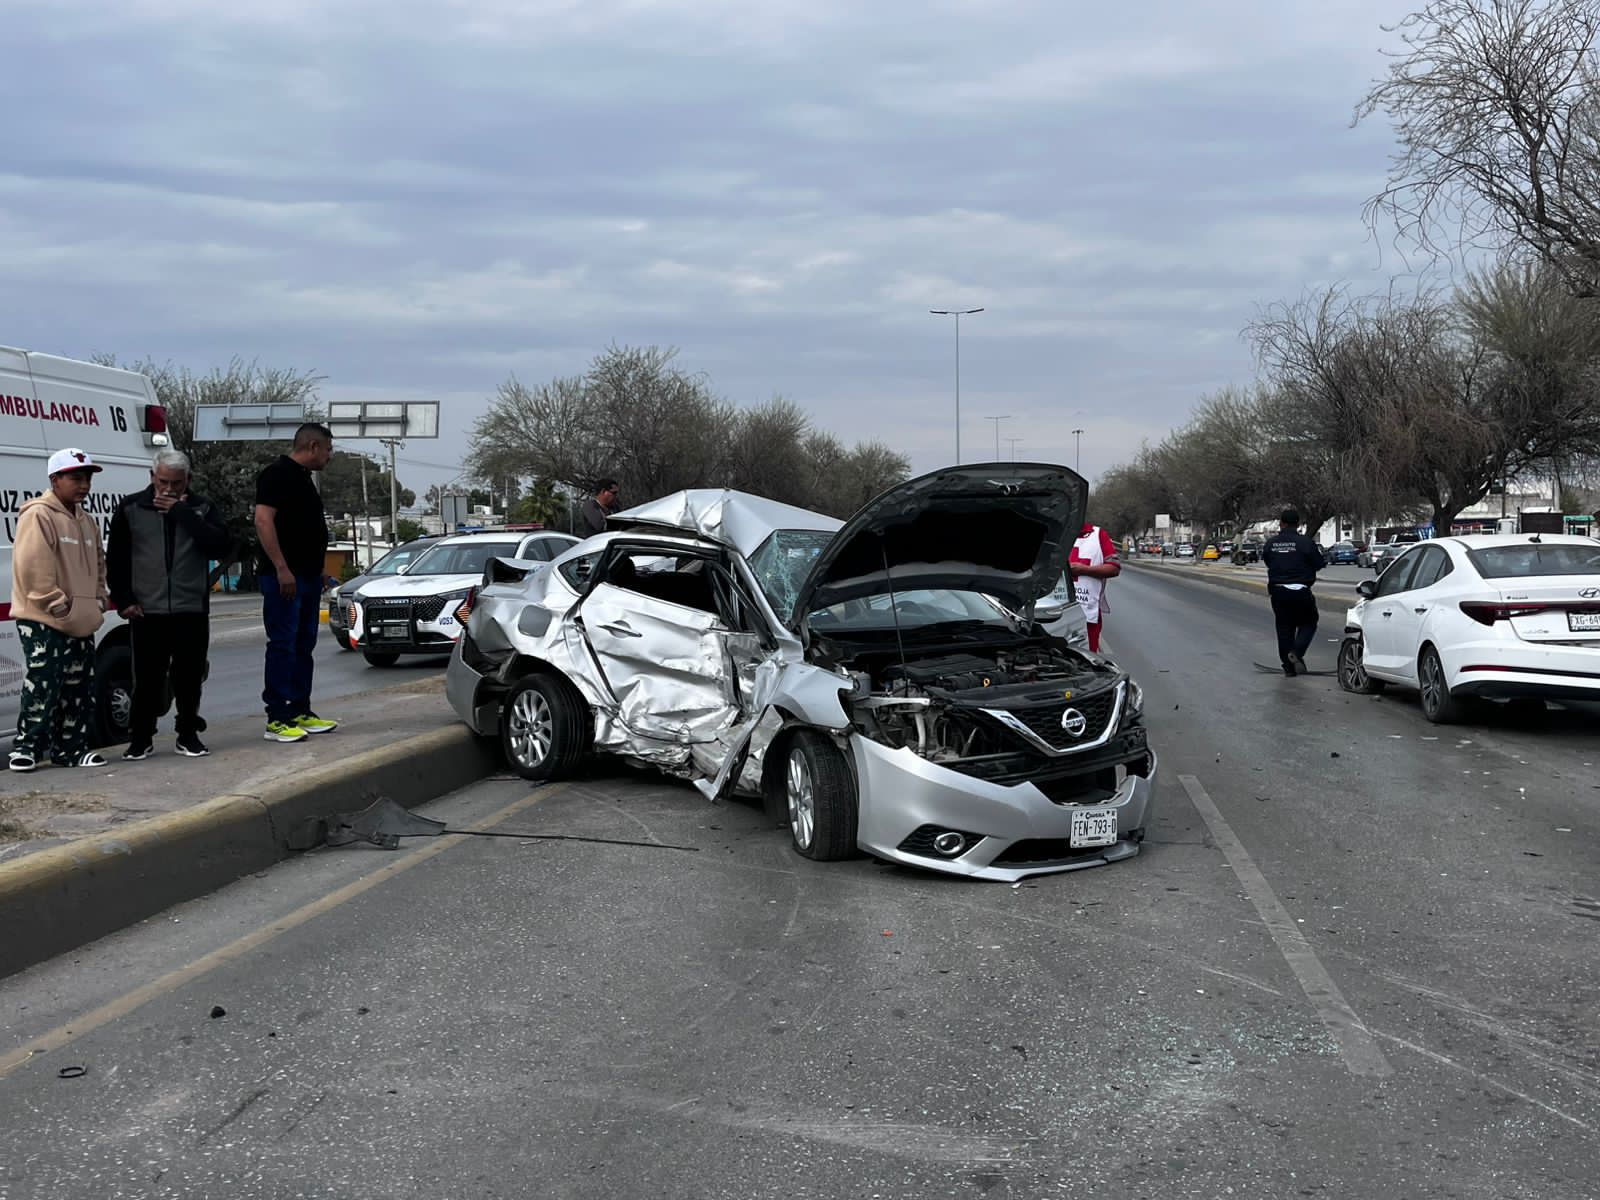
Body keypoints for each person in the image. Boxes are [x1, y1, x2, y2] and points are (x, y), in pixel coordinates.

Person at [107, 449, 232, 760]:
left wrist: (182, 513)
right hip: (147, 610)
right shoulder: (131, 507)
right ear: (152, 477)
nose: (168, 489)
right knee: (147, 679)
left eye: (176, 483)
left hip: (190, 608)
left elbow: (220, 546)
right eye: (163, 481)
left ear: (188, 480)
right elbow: (116, 558)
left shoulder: (203, 507)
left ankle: (188, 734)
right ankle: (141, 738)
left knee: (189, 677)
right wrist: (123, 600)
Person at [7, 448, 111, 772]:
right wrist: (57, 605)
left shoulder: (87, 521)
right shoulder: (38, 515)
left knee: (79, 685)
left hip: (79, 617)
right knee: (44, 681)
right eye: (76, 478)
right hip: (42, 617)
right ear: (55, 480)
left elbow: (98, 565)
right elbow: (32, 567)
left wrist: (98, 599)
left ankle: (71, 750)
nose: (84, 485)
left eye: (87, 478)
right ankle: (27, 748)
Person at [253, 423, 340, 743]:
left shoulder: (304, 479)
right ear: (313, 446)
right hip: (284, 579)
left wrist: (318, 569)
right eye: (328, 449)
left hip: (308, 576)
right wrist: (281, 568)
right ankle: (277, 718)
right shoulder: (276, 474)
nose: (330, 455)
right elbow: (263, 521)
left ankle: (300, 709)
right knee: (283, 644)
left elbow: (305, 529)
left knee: (304, 645)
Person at [1264, 508, 1325, 677]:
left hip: (1278, 591)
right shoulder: (1305, 542)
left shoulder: (1271, 543)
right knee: (1309, 622)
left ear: (1281, 524)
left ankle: (1288, 668)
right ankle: (1297, 652)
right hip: (1301, 590)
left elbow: (1268, 561)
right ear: (1298, 524)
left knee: (1284, 628)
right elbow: (1319, 563)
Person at [1068, 521, 1121, 653]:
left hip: (1088, 614)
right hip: (1054, 611)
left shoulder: (1098, 535)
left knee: (1087, 658)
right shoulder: (1053, 533)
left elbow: (1114, 568)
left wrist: (1084, 570)